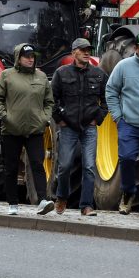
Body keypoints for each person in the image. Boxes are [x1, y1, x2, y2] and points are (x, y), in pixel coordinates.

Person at [0, 43, 56, 215]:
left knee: (37, 163)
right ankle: (13, 203)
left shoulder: (41, 77)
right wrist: (6, 117)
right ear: (18, 58)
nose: (30, 59)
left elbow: (49, 102)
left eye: (32, 56)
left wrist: (44, 118)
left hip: (35, 129)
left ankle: (43, 200)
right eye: (27, 56)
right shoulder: (7, 75)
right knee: (11, 167)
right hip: (11, 130)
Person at [50, 37, 108, 215]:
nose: (86, 52)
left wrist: (97, 118)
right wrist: (59, 119)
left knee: (89, 166)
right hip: (68, 126)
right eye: (82, 50)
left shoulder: (98, 75)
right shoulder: (62, 73)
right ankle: (61, 197)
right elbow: (51, 99)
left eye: (88, 49)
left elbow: (107, 100)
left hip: (89, 127)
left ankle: (86, 206)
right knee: (65, 165)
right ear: (73, 52)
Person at [105, 30, 139, 219]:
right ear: (136, 48)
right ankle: (128, 193)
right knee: (126, 159)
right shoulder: (123, 67)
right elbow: (111, 91)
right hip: (129, 125)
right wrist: (118, 117)